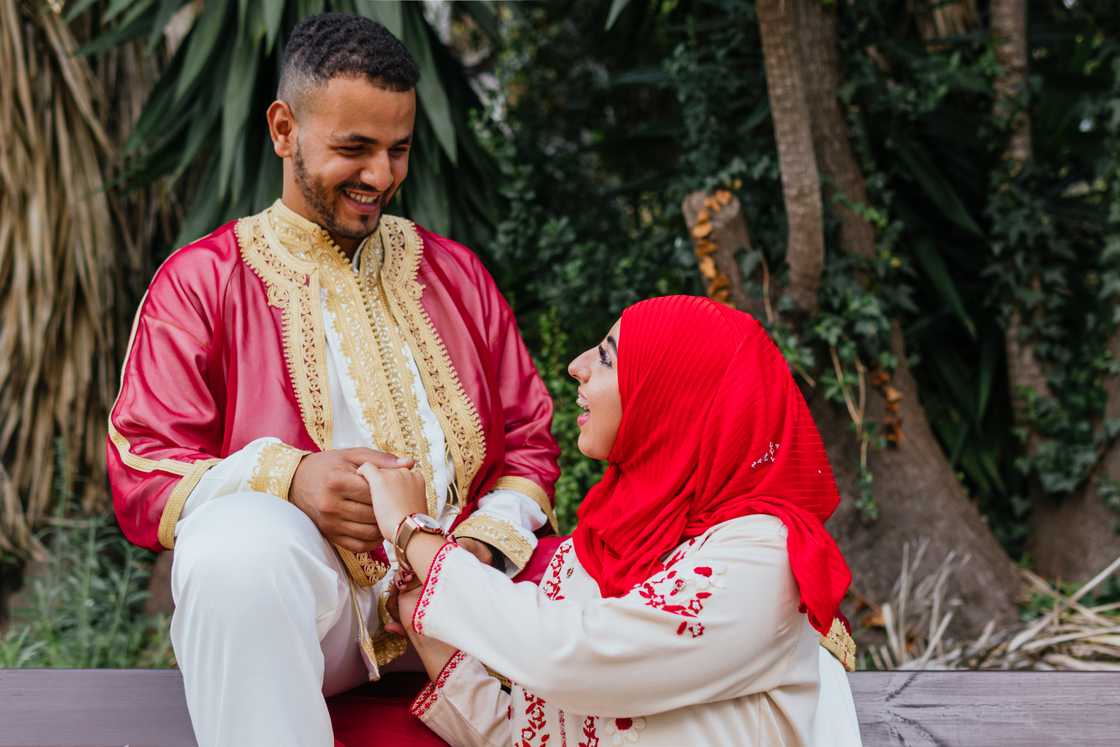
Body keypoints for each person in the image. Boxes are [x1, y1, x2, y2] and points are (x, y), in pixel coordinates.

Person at [106, 13, 559, 747]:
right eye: (353, 148)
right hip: (312, 618)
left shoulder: (456, 272)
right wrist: (290, 479)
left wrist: (470, 547)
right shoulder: (202, 281)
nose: (380, 176)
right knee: (235, 546)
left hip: (465, 599)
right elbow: (142, 472)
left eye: (398, 150)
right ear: (284, 129)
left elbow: (532, 442)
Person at [361, 295, 864, 746]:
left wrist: (415, 535)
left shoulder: (762, 555)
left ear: (675, 395)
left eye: (606, 357)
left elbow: (574, 659)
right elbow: (531, 737)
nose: (577, 366)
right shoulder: (590, 556)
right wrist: (427, 627)